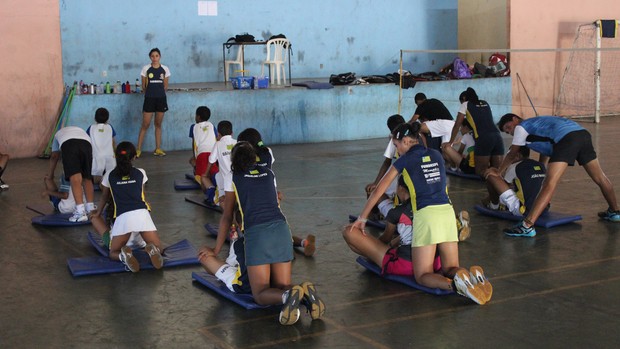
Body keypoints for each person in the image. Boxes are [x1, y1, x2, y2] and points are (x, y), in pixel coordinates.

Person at [351, 122, 492, 305]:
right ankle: (469, 276)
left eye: (396, 145)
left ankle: (456, 286)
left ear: (406, 141)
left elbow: (378, 190)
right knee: (450, 267)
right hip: (447, 212)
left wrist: (362, 217)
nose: (396, 150)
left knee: (423, 275)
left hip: (427, 216)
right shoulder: (435, 154)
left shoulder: (405, 160)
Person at [212, 142, 325, 325]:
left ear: (233, 160)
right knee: (281, 286)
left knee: (260, 294)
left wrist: (216, 250)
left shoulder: (233, 176)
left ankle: (291, 293)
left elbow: (227, 216)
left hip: (257, 234)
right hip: (281, 229)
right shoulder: (269, 173)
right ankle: (303, 295)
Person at [496, 113, 620, 237]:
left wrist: (498, 172)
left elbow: (512, 154)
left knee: (549, 184)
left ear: (515, 119)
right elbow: (546, 150)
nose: (509, 132)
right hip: (583, 134)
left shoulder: (521, 127)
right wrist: (541, 167)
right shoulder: (537, 126)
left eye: (508, 127)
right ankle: (614, 212)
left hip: (567, 139)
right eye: (506, 132)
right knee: (600, 177)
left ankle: (527, 225)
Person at [237, 127, 316, 256]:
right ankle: (304, 242)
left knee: (247, 226)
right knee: (277, 228)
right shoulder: (267, 152)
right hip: (271, 195)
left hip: (254, 201)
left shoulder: (244, 160)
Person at [344, 176, 443, 276]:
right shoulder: (431, 206)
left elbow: (386, 238)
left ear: (400, 188)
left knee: (349, 232)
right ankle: (375, 255)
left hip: (407, 265)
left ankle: (374, 256)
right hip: (435, 262)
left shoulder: (398, 212)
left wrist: (373, 248)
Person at [90, 141, 163, 272]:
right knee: (159, 248)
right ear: (134, 157)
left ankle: (124, 256)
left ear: (116, 157)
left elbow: (104, 197)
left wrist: (98, 212)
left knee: (113, 253)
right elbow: (142, 196)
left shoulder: (109, 175)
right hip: (142, 214)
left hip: (123, 217)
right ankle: (153, 250)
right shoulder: (141, 172)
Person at [447, 87, 504, 176]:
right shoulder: (485, 103)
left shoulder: (465, 104)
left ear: (464, 99)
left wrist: (450, 142)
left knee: (480, 172)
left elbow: (457, 124)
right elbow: (484, 120)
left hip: (483, 138)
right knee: (497, 171)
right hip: (497, 136)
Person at [47, 126, 96, 222]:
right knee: (87, 177)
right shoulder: (79, 130)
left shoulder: (57, 135)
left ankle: (80, 212)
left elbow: (54, 156)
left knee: (75, 178)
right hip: (87, 144)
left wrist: (50, 175)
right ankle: (90, 208)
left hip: (70, 145)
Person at [483, 146, 548, 218]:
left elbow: (502, 187)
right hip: (543, 208)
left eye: (509, 154)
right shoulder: (540, 165)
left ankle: (494, 206)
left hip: (525, 211)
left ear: (518, 156)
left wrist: (489, 198)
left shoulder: (515, 166)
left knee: (490, 175)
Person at [365, 114, 407, 220]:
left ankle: (372, 213)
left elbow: (387, 162)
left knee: (373, 190)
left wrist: (376, 183)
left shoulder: (395, 138)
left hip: (402, 172)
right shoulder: (415, 135)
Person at [137, 48, 171, 157]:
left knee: (158, 124)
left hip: (161, 99)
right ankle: (138, 149)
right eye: (152, 56)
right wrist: (150, 93)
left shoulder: (165, 69)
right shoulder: (145, 69)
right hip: (149, 99)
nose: (155, 58)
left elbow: (165, 86)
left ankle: (158, 149)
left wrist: (158, 93)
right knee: (145, 124)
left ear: (160, 56)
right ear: (150, 57)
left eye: (157, 56)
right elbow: (144, 86)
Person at [205, 120, 236, 206]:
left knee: (205, 179)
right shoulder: (238, 143)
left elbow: (211, 161)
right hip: (239, 183)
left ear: (218, 134)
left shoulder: (218, 144)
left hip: (226, 188)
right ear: (232, 133)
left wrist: (205, 174)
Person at [189, 106, 218, 194]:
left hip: (201, 155)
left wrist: (195, 158)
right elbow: (216, 139)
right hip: (213, 155)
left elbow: (194, 144)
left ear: (198, 117)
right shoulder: (212, 125)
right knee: (213, 172)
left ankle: (208, 194)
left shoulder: (193, 127)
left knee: (201, 177)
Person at [86, 107, 116, 185]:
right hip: (109, 155)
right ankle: (106, 183)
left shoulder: (91, 128)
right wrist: (114, 152)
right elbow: (113, 141)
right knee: (111, 174)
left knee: (96, 176)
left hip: (96, 156)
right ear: (107, 119)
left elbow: (87, 142)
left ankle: (99, 183)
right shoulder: (110, 127)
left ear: (95, 118)